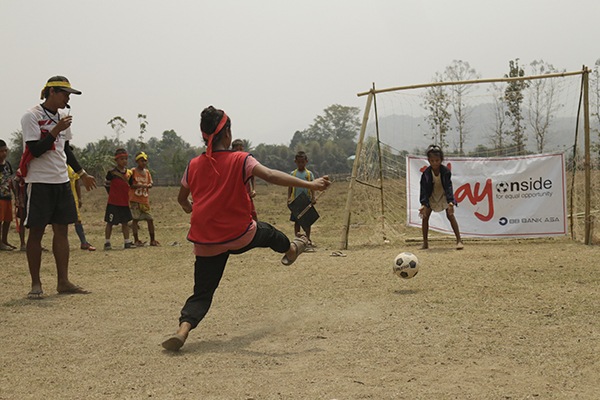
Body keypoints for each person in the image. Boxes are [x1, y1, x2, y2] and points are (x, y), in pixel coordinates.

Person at [162, 106, 331, 351]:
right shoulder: (240, 159)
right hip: (240, 235)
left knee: (202, 292)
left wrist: (188, 207)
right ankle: (292, 250)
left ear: (203, 134)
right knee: (269, 233)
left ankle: (182, 330)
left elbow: (181, 198)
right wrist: (311, 185)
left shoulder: (193, 165)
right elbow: (271, 175)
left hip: (206, 242)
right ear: (227, 134)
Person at [20, 75, 97, 299]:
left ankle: (63, 281)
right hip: (39, 181)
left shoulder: (63, 116)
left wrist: (82, 173)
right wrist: (55, 130)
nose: (67, 99)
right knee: (36, 231)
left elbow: (66, 150)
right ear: (51, 92)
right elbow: (34, 150)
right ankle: (36, 284)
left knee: (62, 230)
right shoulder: (31, 116)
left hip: (61, 181)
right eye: (65, 94)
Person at [419, 145, 463, 250]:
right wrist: (423, 203)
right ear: (429, 160)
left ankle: (459, 240)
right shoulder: (426, 174)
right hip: (432, 195)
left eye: (437, 160)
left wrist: (450, 202)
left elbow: (448, 187)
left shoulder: (445, 172)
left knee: (450, 215)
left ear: (441, 160)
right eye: (432, 160)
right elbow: (424, 189)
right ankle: (425, 242)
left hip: (443, 195)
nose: (435, 163)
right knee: (425, 217)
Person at [104, 148, 134, 250]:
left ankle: (127, 242)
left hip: (125, 202)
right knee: (110, 222)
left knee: (125, 223)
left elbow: (131, 185)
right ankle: (107, 242)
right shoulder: (111, 173)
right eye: (121, 159)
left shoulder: (129, 173)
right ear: (116, 160)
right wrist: (111, 194)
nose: (124, 161)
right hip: (113, 202)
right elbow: (106, 185)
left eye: (125, 159)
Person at [129, 151, 158, 246]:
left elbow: (151, 182)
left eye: (145, 161)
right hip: (135, 200)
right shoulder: (133, 171)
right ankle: (136, 240)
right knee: (135, 220)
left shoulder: (147, 172)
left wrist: (149, 185)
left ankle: (152, 240)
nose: (144, 163)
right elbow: (130, 184)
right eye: (142, 161)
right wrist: (140, 185)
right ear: (137, 161)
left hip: (144, 200)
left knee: (150, 219)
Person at [287, 151, 316, 248]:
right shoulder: (293, 174)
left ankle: (307, 239)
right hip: (296, 201)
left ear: (306, 161)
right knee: (297, 221)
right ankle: (298, 240)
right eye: (299, 162)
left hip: (306, 201)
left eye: (302, 162)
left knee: (307, 222)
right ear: (295, 162)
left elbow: (312, 187)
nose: (301, 164)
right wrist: (288, 198)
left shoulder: (309, 174)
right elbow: (290, 187)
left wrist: (313, 197)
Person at [68, 166, 96, 251]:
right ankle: (61, 243)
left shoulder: (72, 168)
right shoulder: (58, 166)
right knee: (61, 223)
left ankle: (84, 242)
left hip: (73, 199)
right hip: (61, 199)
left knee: (78, 220)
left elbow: (77, 184)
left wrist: (79, 198)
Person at [232, 139, 257, 221]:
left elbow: (252, 176)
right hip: (234, 195)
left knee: (252, 214)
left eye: (241, 149)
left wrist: (253, 189)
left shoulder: (246, 160)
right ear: (233, 150)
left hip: (247, 193)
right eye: (237, 149)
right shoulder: (230, 161)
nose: (239, 151)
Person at [0, 139, 16, 251]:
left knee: (7, 220)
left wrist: (15, 195)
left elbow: (11, 180)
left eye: (5, 151)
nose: (4, 153)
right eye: (1, 151)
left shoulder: (8, 165)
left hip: (7, 196)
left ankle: (4, 240)